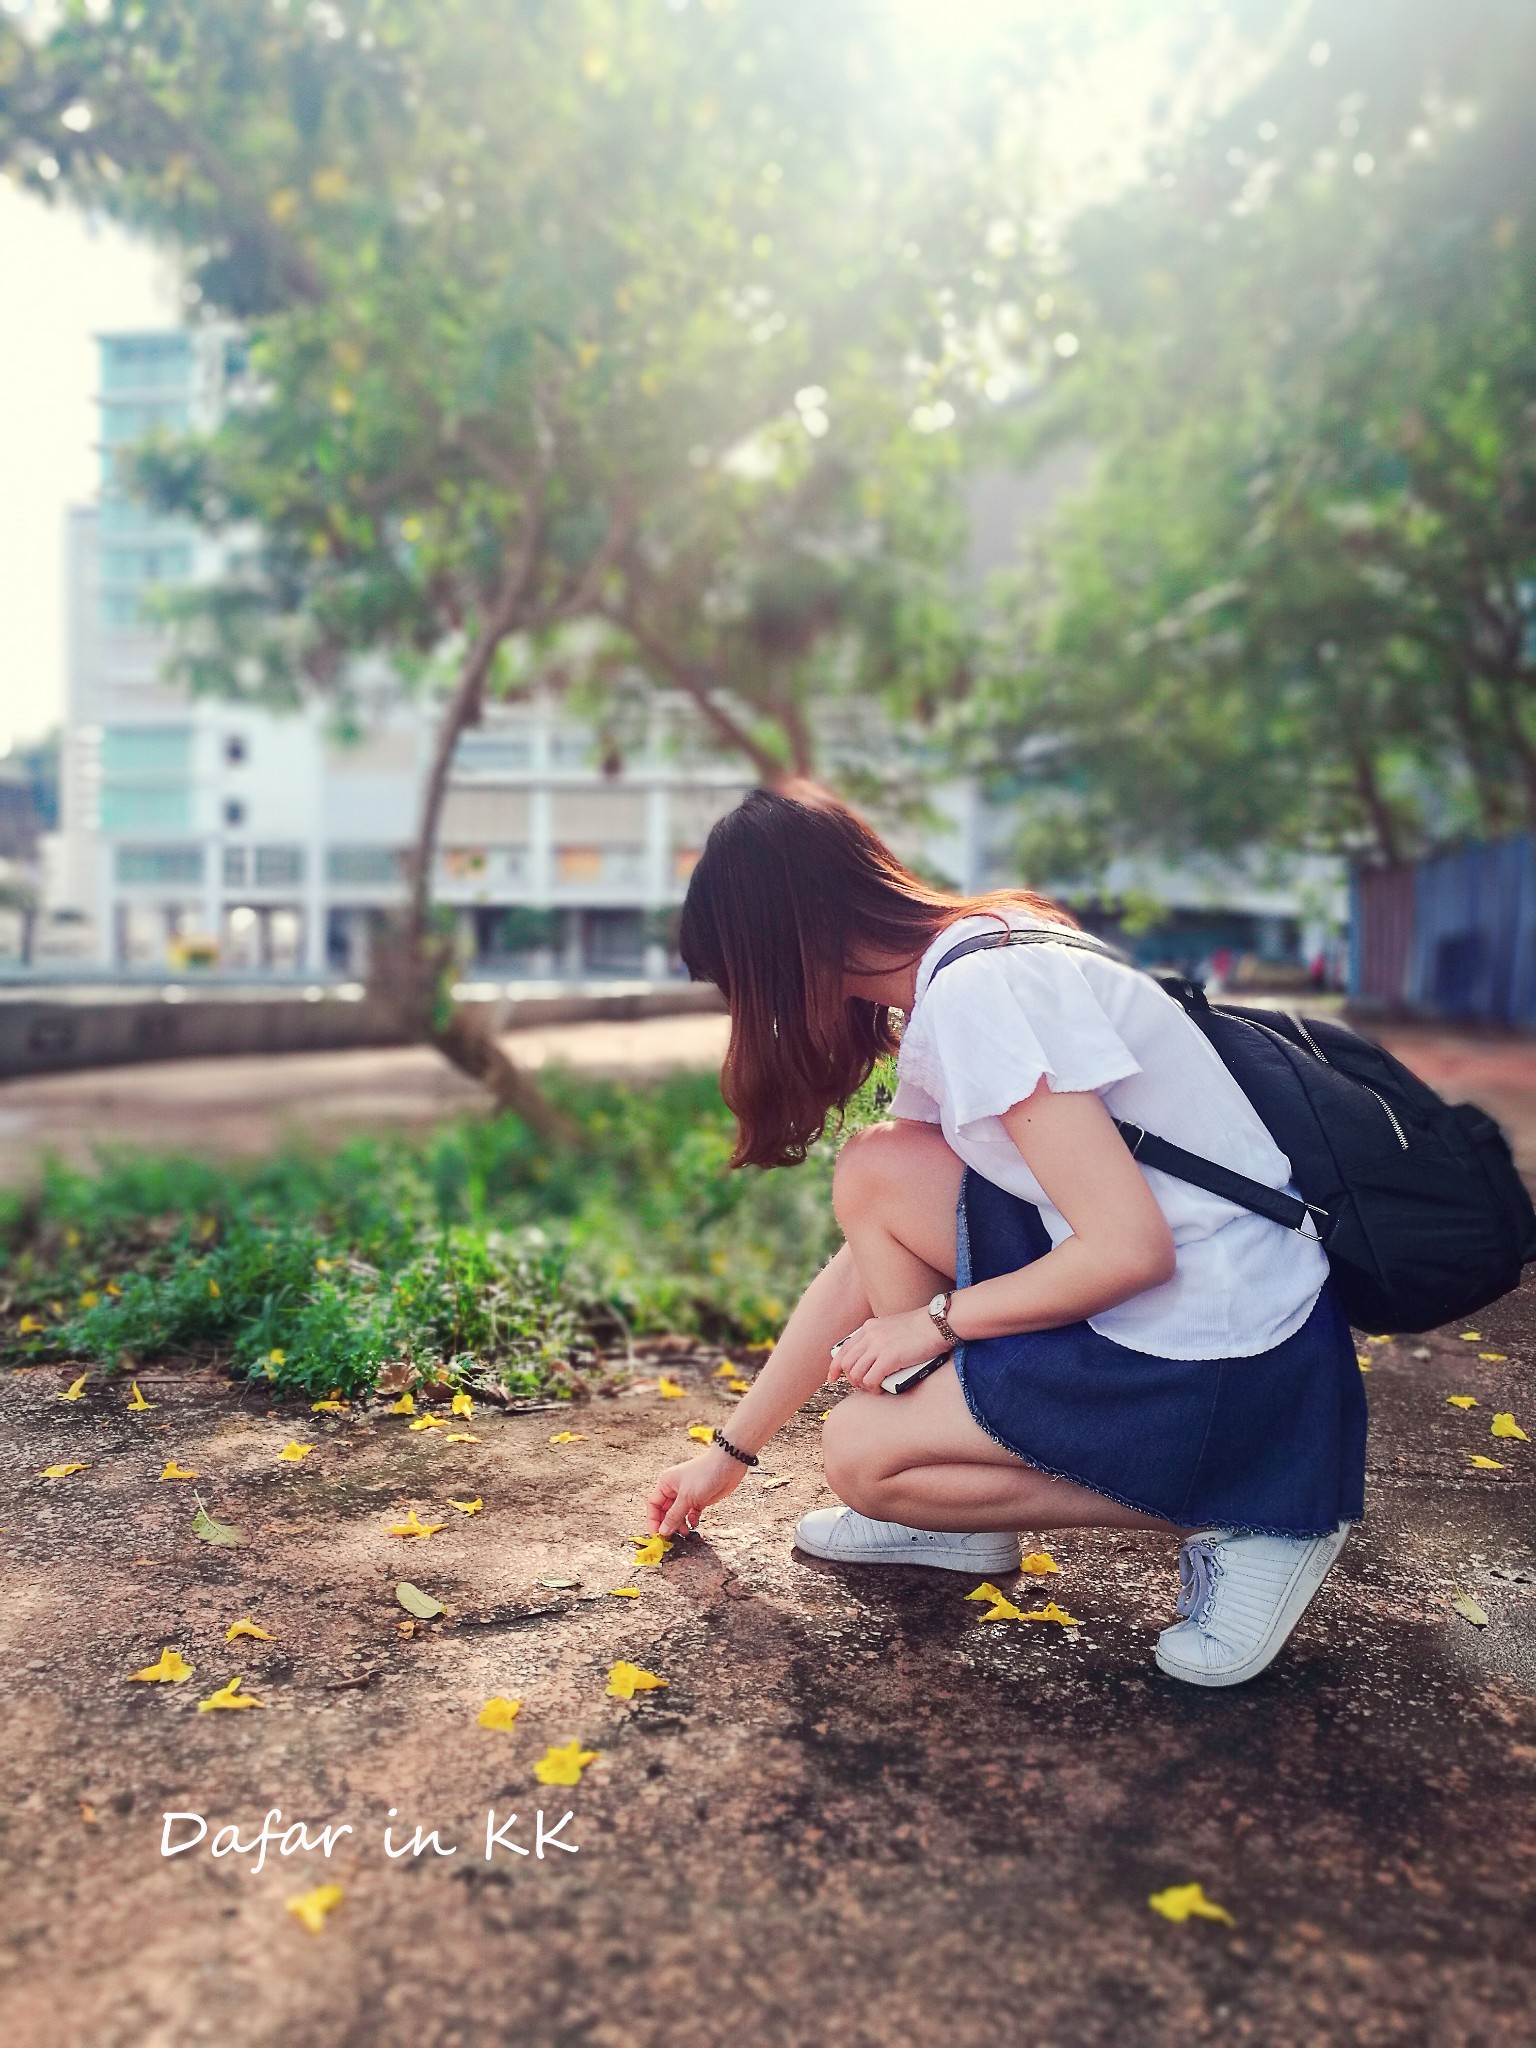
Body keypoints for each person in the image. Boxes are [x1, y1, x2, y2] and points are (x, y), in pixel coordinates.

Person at [645, 786, 1365, 1688]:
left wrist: (940, 1321)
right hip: (1195, 1299)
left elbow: (1130, 1248)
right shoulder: (978, 954)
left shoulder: (980, 993)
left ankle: (1262, 1505)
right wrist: (730, 1452)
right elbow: (870, 1247)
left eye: (742, 980)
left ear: (786, 940)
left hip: (1224, 1350)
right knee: (877, 1167)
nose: (756, 1010)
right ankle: (958, 1512)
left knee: (861, 1454)